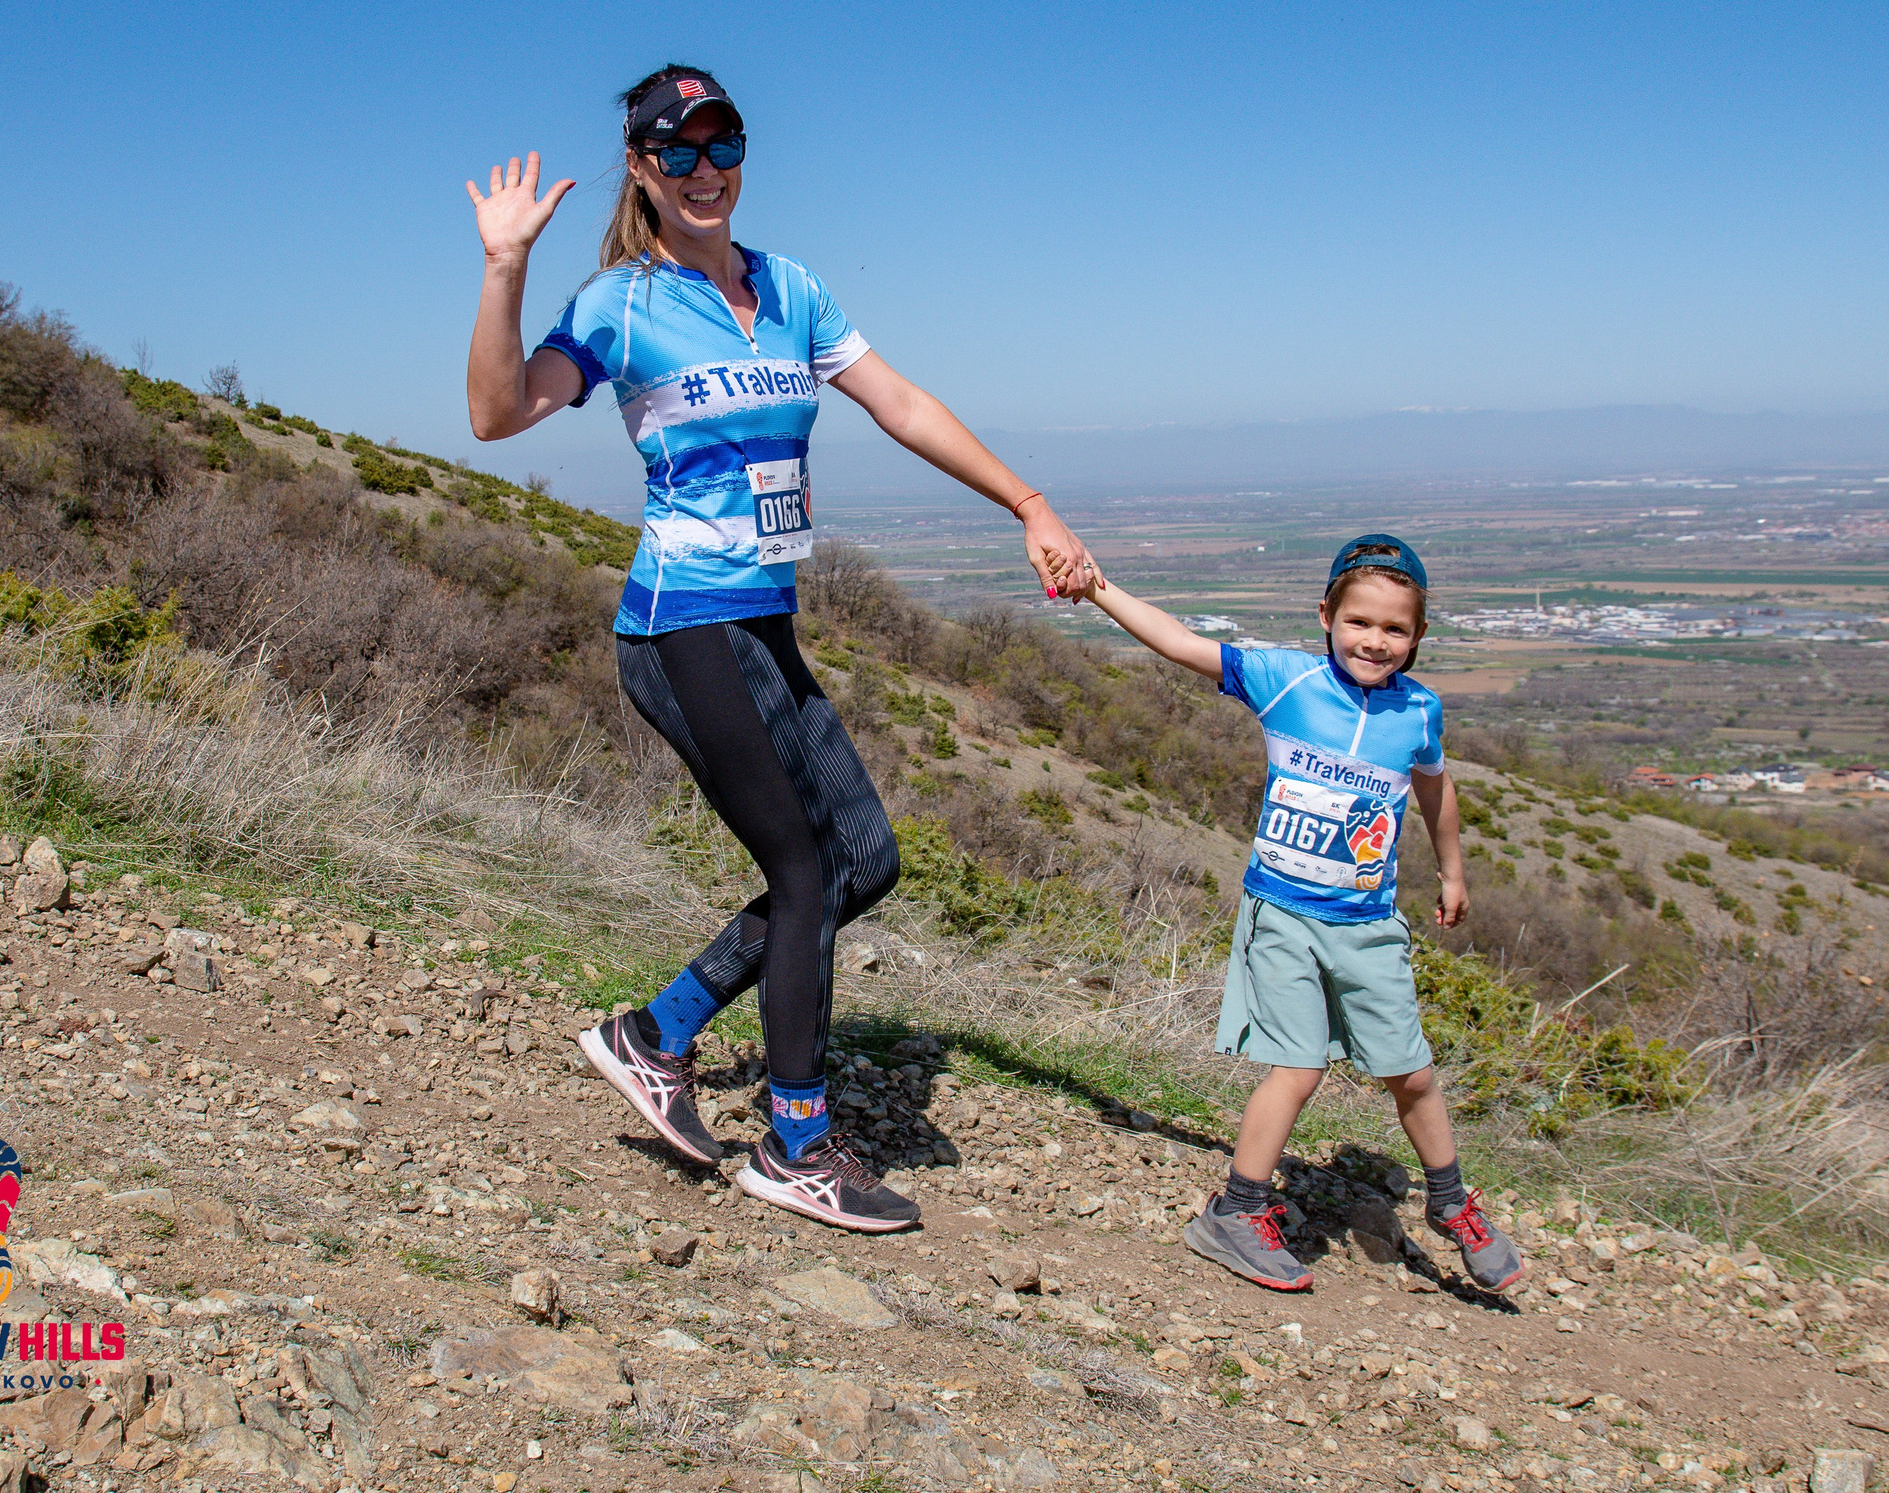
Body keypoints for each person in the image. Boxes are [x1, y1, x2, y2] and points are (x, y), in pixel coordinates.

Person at [463, 65, 1099, 1233]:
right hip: (680, 624)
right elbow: (498, 413)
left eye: (724, 146)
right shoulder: (621, 303)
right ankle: (796, 1144)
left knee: (862, 858)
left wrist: (1028, 503)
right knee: (805, 872)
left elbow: (897, 401)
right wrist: (505, 269)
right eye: (680, 152)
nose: (707, 172)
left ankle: (653, 1033)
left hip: (759, 617)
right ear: (643, 170)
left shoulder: (790, 289)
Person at [1079, 535, 1525, 1293]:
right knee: (1299, 1064)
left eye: (1394, 629)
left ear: (1419, 637)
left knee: (1410, 1072)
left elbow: (1435, 788)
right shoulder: (1288, 681)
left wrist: (1452, 870)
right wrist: (1097, 590)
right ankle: (1236, 1210)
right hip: (1281, 913)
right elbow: (1182, 642)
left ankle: (1450, 1201)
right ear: (1326, 614)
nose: (1374, 641)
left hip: (1368, 925)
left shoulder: (1419, 710)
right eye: (1359, 621)